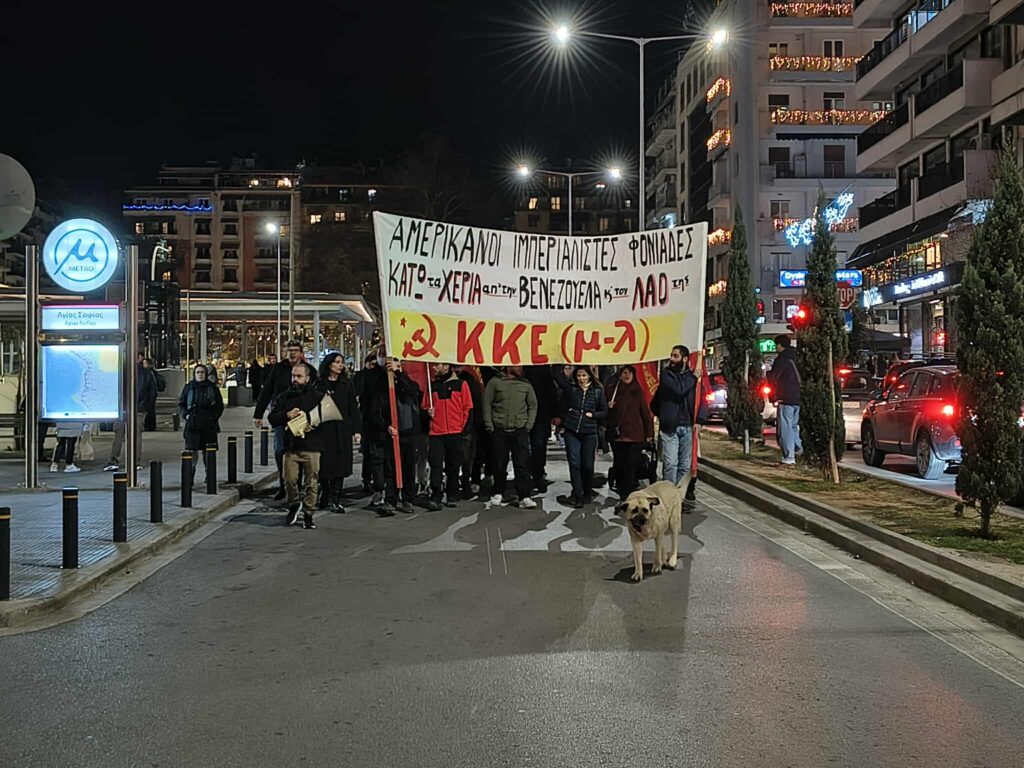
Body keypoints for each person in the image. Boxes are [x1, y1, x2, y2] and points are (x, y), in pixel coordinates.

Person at [360, 349, 421, 516]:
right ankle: (390, 498)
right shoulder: (376, 380)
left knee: (408, 467)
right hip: (389, 431)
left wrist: (398, 374)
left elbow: (413, 392)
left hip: (408, 430)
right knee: (390, 468)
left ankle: (407, 498)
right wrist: (384, 424)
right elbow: (372, 406)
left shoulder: (405, 379)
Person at [268, 362, 323, 529]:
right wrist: (286, 415)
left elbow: (325, 417)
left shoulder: (317, 397)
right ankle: (293, 504)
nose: (295, 380)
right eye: (293, 376)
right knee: (289, 480)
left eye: (299, 376)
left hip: (311, 446)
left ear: (307, 378)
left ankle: (308, 514)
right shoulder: (284, 397)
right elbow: (272, 418)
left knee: (311, 483)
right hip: (290, 447)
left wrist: (309, 419)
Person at [254, 341, 310, 500]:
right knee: (280, 451)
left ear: (300, 353)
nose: (292, 353)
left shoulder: (308, 369)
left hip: (302, 418)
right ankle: (284, 485)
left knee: (302, 453)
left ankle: (300, 487)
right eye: (289, 350)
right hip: (282, 416)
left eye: (295, 350)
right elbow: (267, 391)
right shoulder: (278, 369)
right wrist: (258, 414)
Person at [482, 365, 538, 509]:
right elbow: (487, 404)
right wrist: (490, 426)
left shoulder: (525, 383)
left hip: (520, 430)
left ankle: (524, 496)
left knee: (522, 464)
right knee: (499, 463)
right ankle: (498, 491)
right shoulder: (495, 382)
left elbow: (533, 405)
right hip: (499, 430)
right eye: (517, 365)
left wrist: (528, 425)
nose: (520, 368)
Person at [554, 366, 608, 508]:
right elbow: (557, 377)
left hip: (590, 432)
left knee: (588, 465)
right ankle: (578, 496)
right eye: (578, 376)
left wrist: (593, 415)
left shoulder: (597, 391)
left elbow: (604, 411)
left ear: (589, 376)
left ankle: (587, 492)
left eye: (584, 375)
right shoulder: (571, 390)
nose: (581, 378)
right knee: (574, 463)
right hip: (572, 431)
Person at [423, 363, 473, 511]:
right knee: (436, 465)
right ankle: (436, 495)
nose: (433, 368)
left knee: (453, 465)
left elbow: (468, 409)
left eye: (437, 365)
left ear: (446, 366)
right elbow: (424, 407)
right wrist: (427, 414)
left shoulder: (461, 384)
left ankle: (452, 493)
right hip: (436, 433)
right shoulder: (431, 386)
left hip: (455, 432)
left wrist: (462, 430)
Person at [316, 352, 359, 513]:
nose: (340, 365)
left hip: (342, 429)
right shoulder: (319, 384)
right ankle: (325, 492)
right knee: (325, 464)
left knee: (340, 464)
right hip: (324, 429)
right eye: (337, 362)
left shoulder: (347, 384)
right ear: (329, 365)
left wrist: (356, 430)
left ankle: (336, 497)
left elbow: (353, 408)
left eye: (342, 362)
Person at [656, 345, 699, 500]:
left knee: (684, 466)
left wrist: (699, 420)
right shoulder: (667, 374)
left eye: (675, 356)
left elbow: (700, 399)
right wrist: (664, 415)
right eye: (671, 355)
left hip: (687, 426)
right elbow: (679, 390)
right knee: (670, 464)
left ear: (685, 359)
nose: (672, 359)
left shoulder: (692, 375)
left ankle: (679, 497)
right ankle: (668, 496)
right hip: (670, 428)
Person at [606, 365, 654, 499]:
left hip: (635, 436)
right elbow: (604, 412)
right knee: (619, 464)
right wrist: (608, 407)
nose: (627, 375)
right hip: (618, 436)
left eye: (630, 373)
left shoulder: (638, 391)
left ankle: (628, 493)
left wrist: (649, 433)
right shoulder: (612, 391)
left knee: (631, 465)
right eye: (624, 373)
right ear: (619, 375)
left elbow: (646, 414)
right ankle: (622, 488)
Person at [104, 355, 158, 472]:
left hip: (122, 408)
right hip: (139, 408)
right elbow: (152, 392)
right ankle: (135, 460)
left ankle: (114, 459)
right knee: (136, 434)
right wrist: (147, 407)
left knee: (119, 433)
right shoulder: (146, 373)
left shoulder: (119, 372)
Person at [178, 363, 224, 485]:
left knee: (208, 453)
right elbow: (181, 404)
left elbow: (219, 406)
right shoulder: (189, 387)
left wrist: (212, 418)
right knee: (191, 453)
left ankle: (210, 477)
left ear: (206, 374)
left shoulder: (212, 388)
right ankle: (189, 479)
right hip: (192, 425)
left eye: (202, 372)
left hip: (208, 426)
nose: (200, 375)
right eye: (197, 372)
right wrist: (186, 415)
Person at [768, 334, 802, 466]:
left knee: (785, 428)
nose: (775, 347)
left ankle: (789, 457)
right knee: (793, 426)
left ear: (780, 345)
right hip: (797, 397)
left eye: (776, 345)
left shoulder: (781, 360)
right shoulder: (796, 357)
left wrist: (773, 396)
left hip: (785, 398)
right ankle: (798, 448)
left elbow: (774, 378)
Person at [524, 365, 558, 494]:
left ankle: (536, 476)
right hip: (532, 414)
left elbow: (551, 391)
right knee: (535, 447)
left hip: (540, 415)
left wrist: (555, 413)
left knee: (536, 447)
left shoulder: (541, 370)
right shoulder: (541, 370)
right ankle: (535, 476)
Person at [456, 365, 484, 498]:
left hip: (470, 424)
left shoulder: (470, 378)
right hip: (459, 424)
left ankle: (468, 482)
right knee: (464, 456)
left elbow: (473, 405)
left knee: (469, 456)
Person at [353, 353, 378, 493]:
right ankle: (367, 480)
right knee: (368, 453)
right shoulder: (361, 377)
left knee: (377, 454)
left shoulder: (379, 377)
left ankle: (376, 479)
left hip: (377, 419)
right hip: (365, 418)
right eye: (371, 364)